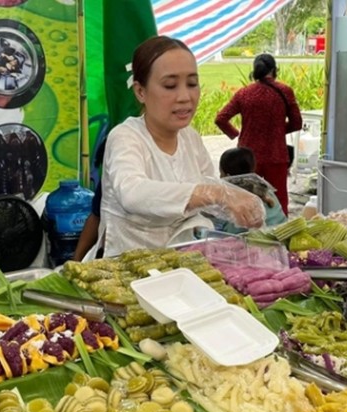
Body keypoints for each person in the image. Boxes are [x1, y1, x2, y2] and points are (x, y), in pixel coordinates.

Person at [95, 35, 265, 258]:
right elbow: (132, 193)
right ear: (140, 91)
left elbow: (208, 187)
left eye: (192, 84)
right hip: (126, 268)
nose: (185, 97)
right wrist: (215, 194)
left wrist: (242, 197)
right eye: (170, 85)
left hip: (180, 264)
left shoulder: (190, 138)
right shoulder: (126, 137)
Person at [215, 53, 302, 216]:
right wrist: (277, 130)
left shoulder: (244, 93)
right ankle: (279, 230)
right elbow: (297, 122)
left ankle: (246, 229)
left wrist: (236, 133)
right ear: (275, 70)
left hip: (247, 157)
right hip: (276, 154)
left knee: (245, 196)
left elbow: (221, 119)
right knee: (278, 198)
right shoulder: (285, 91)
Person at [217, 147, 286, 232]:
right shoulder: (265, 190)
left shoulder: (232, 199)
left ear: (227, 176)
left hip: (252, 242)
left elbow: (231, 233)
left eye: (221, 173)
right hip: (281, 237)